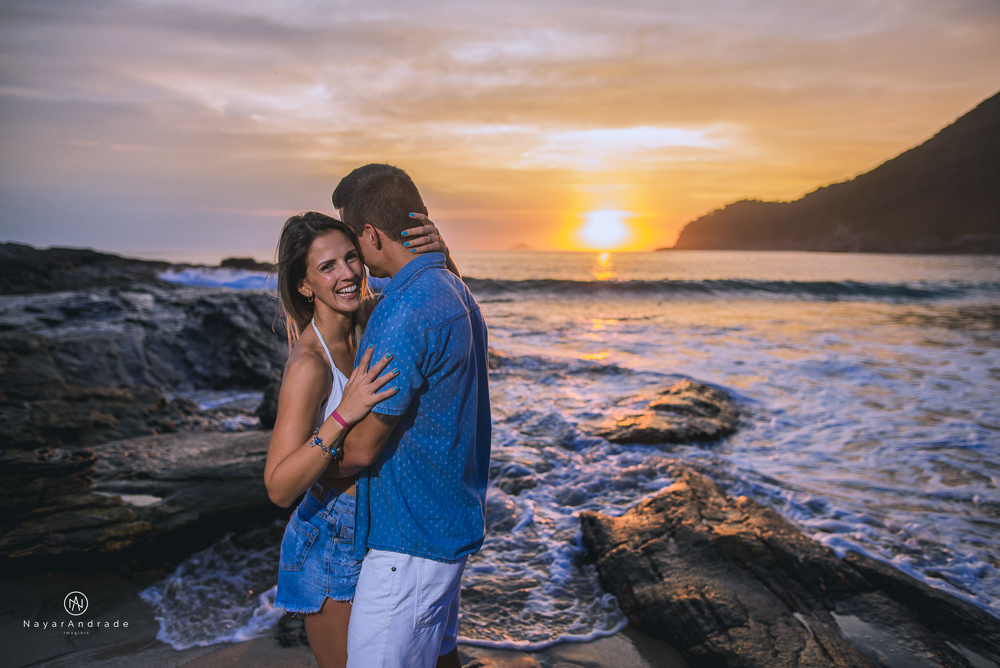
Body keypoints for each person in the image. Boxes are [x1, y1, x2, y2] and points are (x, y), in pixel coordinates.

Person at [263, 207, 458, 668]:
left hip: (387, 520)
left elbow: (440, 306)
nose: (348, 273)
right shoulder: (309, 365)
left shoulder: (377, 315)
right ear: (304, 285)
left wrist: (442, 257)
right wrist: (342, 415)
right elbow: (278, 486)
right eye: (327, 266)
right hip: (332, 534)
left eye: (351, 257)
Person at [317, 164, 491, 668]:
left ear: (371, 235)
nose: (352, 256)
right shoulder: (453, 289)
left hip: (408, 545)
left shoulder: (404, 310)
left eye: (353, 238)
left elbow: (360, 450)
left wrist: (301, 471)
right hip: (444, 525)